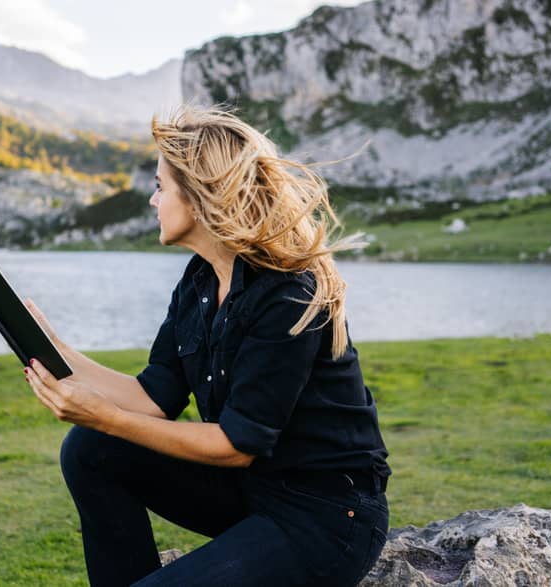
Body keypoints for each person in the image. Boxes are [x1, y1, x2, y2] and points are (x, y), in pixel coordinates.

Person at [22, 106, 391, 586]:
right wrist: (56, 349)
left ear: (199, 198)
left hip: (325, 517)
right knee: (90, 447)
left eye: (160, 186)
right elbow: (155, 397)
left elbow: (237, 445)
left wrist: (107, 416)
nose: (153, 201)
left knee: (102, 430)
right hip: (251, 491)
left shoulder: (287, 293)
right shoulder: (199, 279)